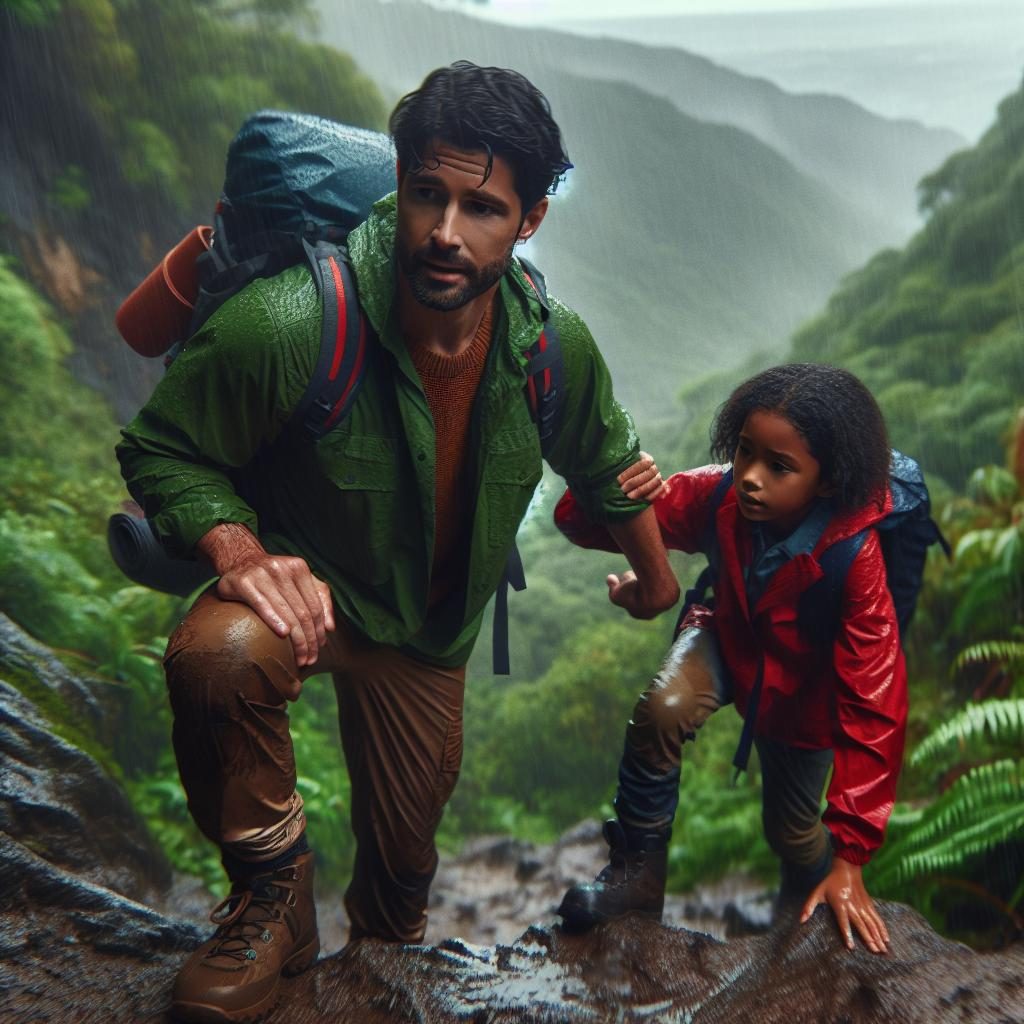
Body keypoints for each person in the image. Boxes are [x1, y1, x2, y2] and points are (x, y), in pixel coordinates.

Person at [116, 61, 679, 1023]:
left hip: (428, 634)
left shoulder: (549, 348)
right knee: (216, 657)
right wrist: (239, 553)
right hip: (310, 600)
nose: (447, 234)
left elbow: (606, 458)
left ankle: (380, 971)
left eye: (484, 207)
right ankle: (269, 902)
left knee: (401, 879)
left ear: (531, 220)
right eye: (427, 194)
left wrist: (659, 581)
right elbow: (164, 446)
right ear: (401, 186)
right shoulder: (297, 319)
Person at [553, 363, 907, 955]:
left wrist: (851, 857)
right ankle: (636, 881)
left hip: (806, 701)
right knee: (663, 708)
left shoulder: (854, 558)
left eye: (778, 466)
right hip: (729, 638)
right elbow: (583, 523)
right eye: (745, 452)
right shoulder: (719, 495)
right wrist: (614, 486)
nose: (750, 477)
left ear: (826, 481)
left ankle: (808, 897)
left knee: (792, 831)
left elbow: (876, 700)